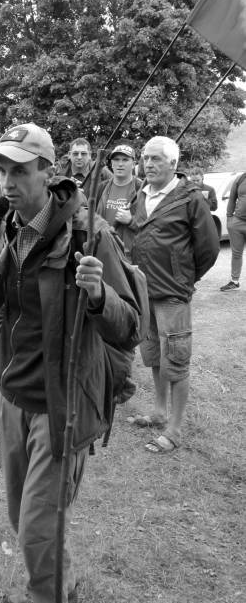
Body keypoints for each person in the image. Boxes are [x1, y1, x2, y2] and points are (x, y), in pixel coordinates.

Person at [0, 123, 140, 603]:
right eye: (1, 168)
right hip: (14, 394)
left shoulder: (91, 236)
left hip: (63, 402)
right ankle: (58, 588)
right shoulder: (4, 228)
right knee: (25, 514)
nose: (7, 180)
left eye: (19, 169)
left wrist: (97, 295)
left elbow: (129, 326)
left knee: (40, 519)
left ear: (48, 170)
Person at [130, 136, 219, 451]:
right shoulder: (142, 194)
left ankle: (175, 428)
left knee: (176, 360)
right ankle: (158, 410)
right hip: (145, 292)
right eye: (145, 157)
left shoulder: (190, 198)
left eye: (156, 158)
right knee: (154, 355)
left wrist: (184, 279)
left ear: (173, 163)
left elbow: (208, 248)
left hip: (172, 295)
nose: (148, 164)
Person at [96, 141, 142, 260]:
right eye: (116, 159)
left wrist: (131, 221)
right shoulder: (101, 187)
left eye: (125, 160)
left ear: (133, 164)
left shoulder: (141, 189)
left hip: (128, 256)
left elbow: (151, 228)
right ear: (111, 163)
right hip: (102, 251)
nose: (120, 164)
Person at [220, 171, 246, 291]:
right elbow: (232, 198)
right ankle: (234, 281)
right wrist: (230, 218)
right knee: (236, 253)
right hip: (238, 222)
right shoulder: (240, 178)